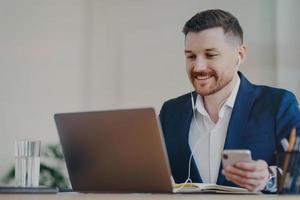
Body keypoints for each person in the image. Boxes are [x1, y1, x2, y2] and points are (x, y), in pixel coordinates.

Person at [159, 9, 300, 192]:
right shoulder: (171, 112)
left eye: (210, 55)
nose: (198, 66)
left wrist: (269, 178)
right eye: (191, 56)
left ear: (240, 55)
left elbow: (297, 174)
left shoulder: (277, 104)